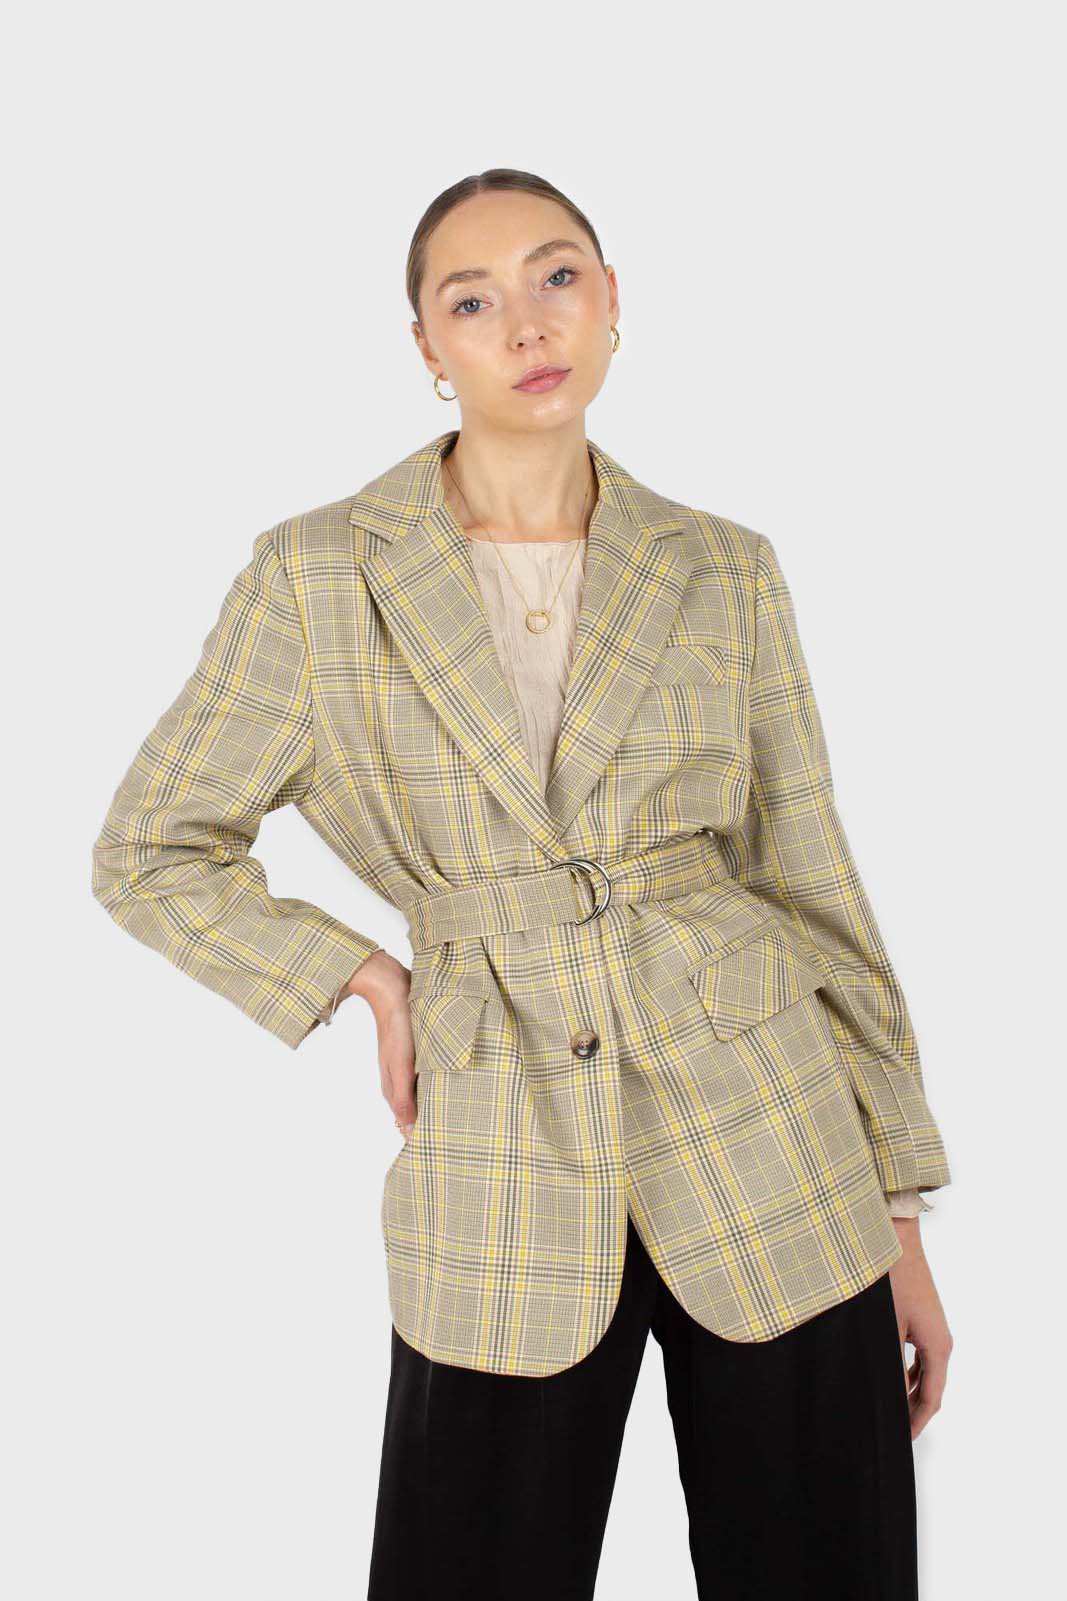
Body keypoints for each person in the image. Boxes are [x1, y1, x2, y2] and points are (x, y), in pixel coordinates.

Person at [91, 168, 953, 1600]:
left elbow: (811, 883)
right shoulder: (316, 577)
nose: (527, 325)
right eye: (472, 299)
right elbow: (150, 847)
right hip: (496, 1147)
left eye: (559, 278)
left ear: (613, 303)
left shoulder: (723, 568)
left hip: (774, 1141)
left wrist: (900, 1214)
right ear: (428, 347)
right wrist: (363, 977)